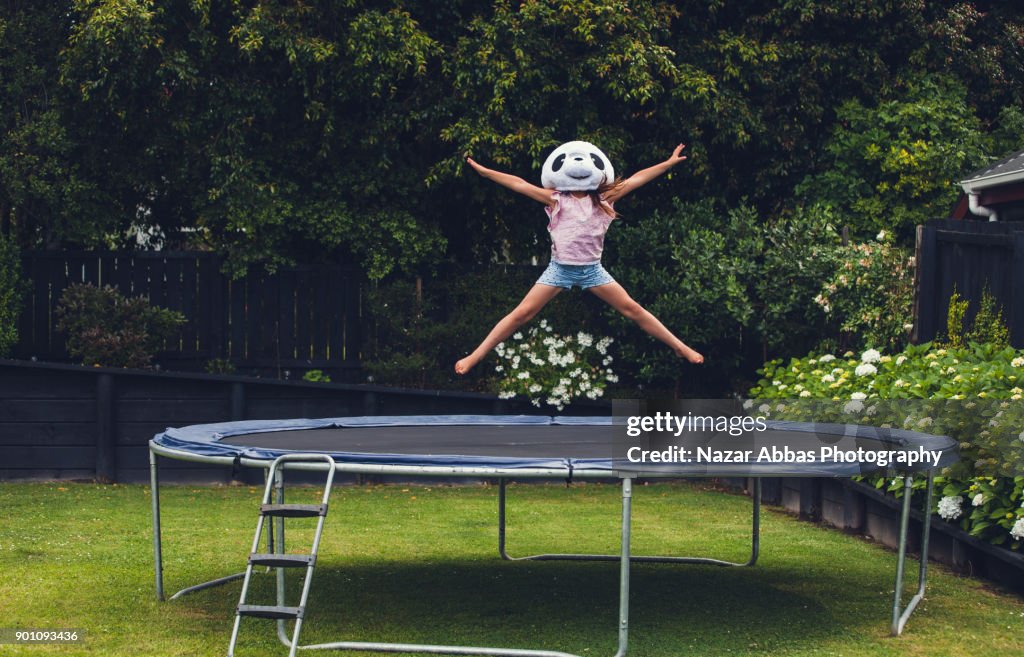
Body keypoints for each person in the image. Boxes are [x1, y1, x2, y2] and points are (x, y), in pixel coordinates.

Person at [454, 140, 704, 375]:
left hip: (592, 270)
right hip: (558, 269)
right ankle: (475, 356)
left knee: (633, 309)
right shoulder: (555, 199)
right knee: (521, 314)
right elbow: (519, 184)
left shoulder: (605, 198)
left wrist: (668, 163)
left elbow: (637, 179)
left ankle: (680, 347)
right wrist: (486, 173)